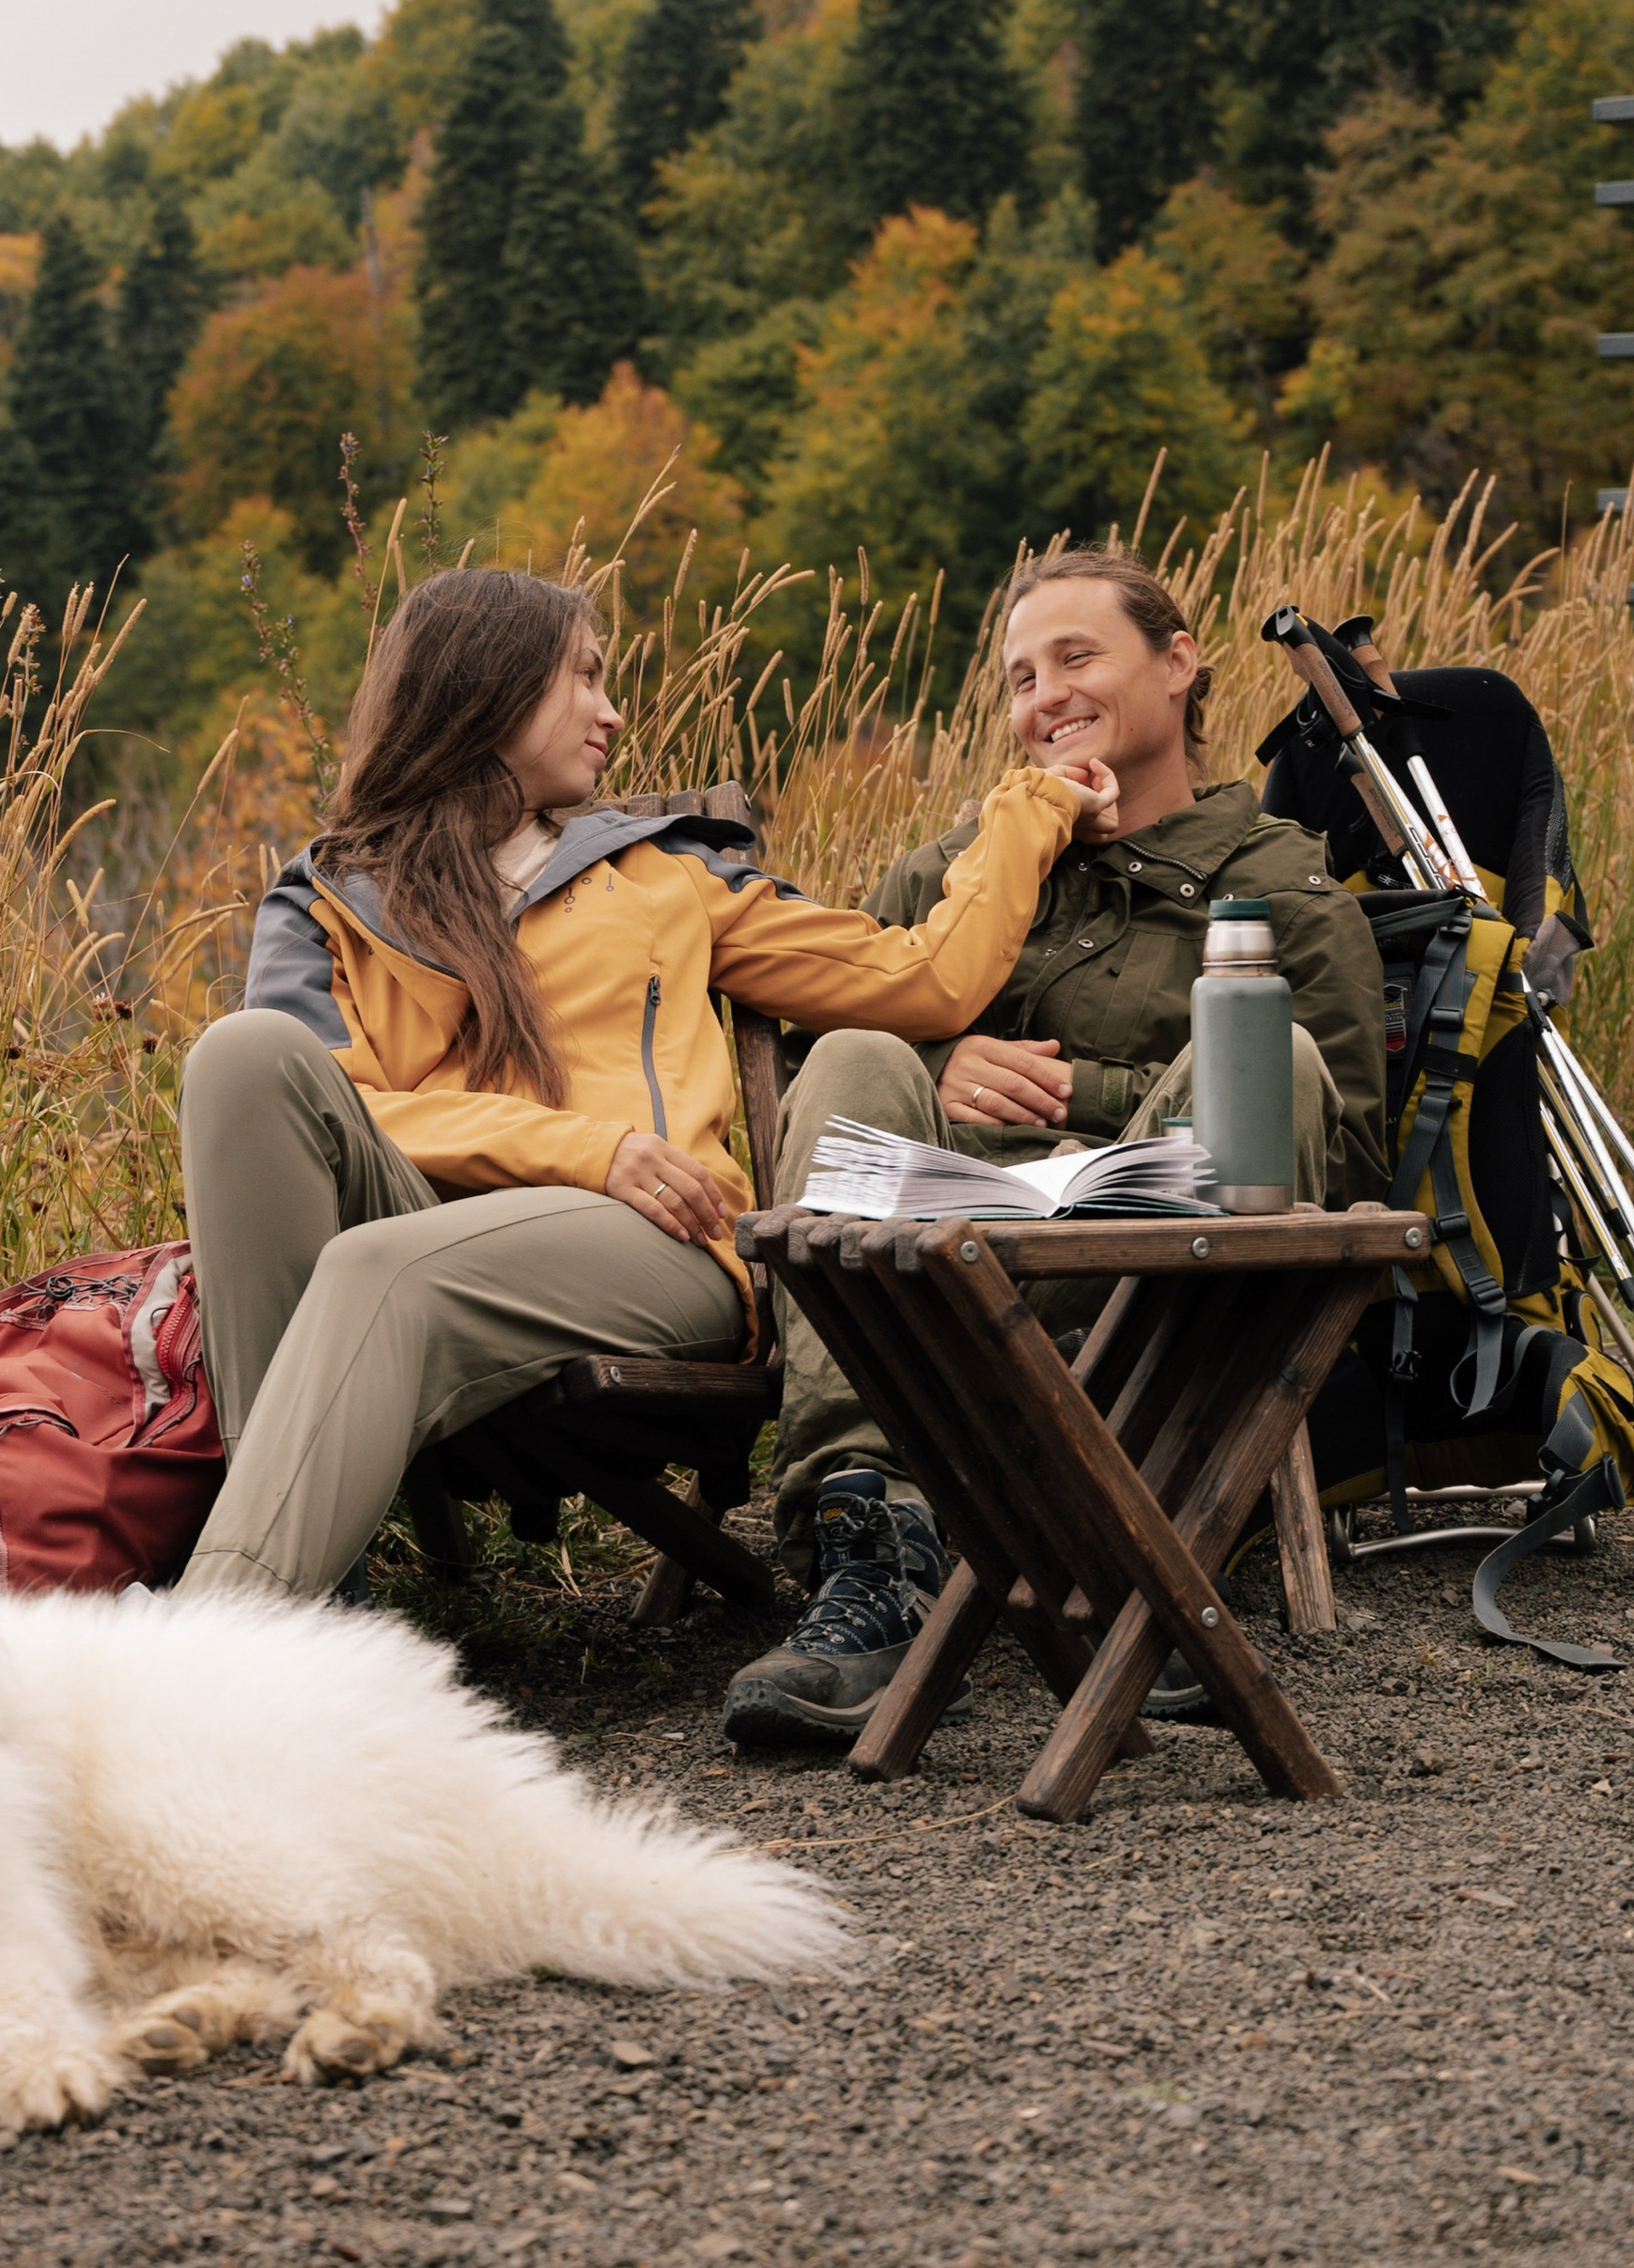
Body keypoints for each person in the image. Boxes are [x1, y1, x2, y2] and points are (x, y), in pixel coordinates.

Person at [172, 564, 1112, 1608]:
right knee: (240, 1056)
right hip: (434, 1219)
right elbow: (352, 1103)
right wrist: (583, 1146)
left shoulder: (664, 873)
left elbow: (922, 980)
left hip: (652, 1237)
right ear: (491, 685)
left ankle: (226, 1642)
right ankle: (305, 1598)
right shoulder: (331, 896)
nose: (611, 712)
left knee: (381, 1268)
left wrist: (1035, 807)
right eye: (583, 676)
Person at [722, 548, 1390, 1752]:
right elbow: (857, 1064)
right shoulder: (946, 872)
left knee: (1272, 1055)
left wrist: (1088, 1086)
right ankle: (870, 1546)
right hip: (941, 1255)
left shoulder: (1277, 881)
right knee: (851, 1056)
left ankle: (1133, 1510)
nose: (1044, 696)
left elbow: (1340, 1142)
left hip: (1140, 1265)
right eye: (1021, 677)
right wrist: (934, 1064)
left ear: (1178, 664)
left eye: (1076, 656)